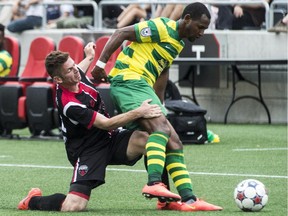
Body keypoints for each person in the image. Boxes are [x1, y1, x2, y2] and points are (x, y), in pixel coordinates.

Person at [91, 2, 223, 212]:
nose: (201, 32)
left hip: (142, 87)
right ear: (187, 18)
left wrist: (160, 104)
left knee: (175, 141)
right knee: (160, 130)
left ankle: (187, 199)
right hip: (129, 81)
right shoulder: (162, 27)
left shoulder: (178, 42)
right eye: (200, 27)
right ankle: (154, 184)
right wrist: (100, 65)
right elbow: (122, 32)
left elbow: (162, 71)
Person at [17, 44, 164, 212]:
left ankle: (162, 195)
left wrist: (89, 56)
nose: (76, 71)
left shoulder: (75, 75)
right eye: (70, 70)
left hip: (109, 138)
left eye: (74, 66)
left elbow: (79, 67)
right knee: (73, 207)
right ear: (58, 80)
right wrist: (139, 112)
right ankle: (32, 200)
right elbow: (107, 123)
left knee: (150, 141)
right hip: (87, 150)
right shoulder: (70, 104)